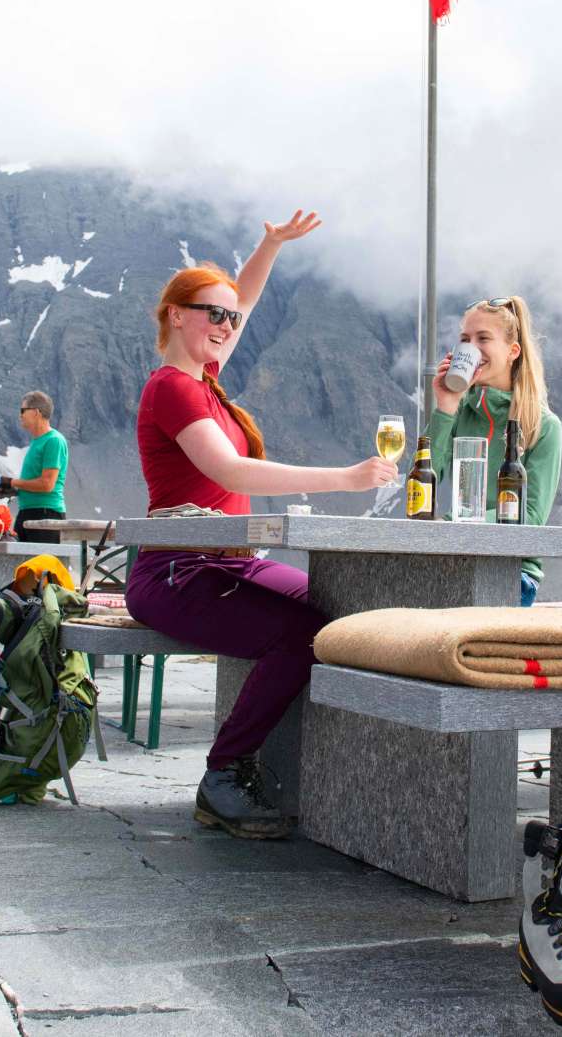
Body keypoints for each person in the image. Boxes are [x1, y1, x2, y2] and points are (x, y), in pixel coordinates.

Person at [127, 210, 396, 841]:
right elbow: (230, 471)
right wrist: (345, 479)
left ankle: (331, 775)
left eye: (230, 318)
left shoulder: (205, 380)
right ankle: (224, 773)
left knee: (339, 612)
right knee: (302, 634)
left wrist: (269, 245)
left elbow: (241, 300)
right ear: (176, 316)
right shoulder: (173, 388)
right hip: (177, 572)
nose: (226, 325)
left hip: (225, 565)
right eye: (212, 315)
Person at [427, 296, 562, 604]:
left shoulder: (544, 426)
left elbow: (531, 516)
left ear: (513, 351)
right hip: (453, 559)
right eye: (465, 339)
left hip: (512, 570)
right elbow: (421, 487)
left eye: (483, 338)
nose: (471, 347)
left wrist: (456, 524)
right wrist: (445, 407)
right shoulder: (459, 411)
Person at [5, 390, 70, 543]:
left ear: (36, 412)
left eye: (23, 410)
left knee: (40, 559)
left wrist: (12, 482)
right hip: (28, 512)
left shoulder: (54, 440)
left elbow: (47, 484)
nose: (20, 415)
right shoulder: (37, 441)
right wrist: (12, 489)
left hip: (46, 513)